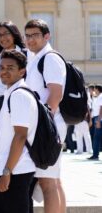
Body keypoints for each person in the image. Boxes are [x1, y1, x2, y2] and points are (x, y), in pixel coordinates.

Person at [24, 19, 67, 213]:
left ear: (46, 36)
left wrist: (44, 127)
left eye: (35, 35)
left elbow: (55, 95)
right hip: (46, 124)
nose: (30, 40)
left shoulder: (49, 58)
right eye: (27, 35)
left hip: (48, 125)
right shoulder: (37, 58)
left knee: (47, 181)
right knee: (53, 180)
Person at [0, 50, 38, 213]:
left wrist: (7, 172)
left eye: (10, 67)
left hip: (15, 172)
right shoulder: (12, 93)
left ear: (22, 71)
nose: (4, 71)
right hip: (12, 170)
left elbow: (20, 135)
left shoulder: (19, 96)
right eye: (2, 67)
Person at [0, 21, 28, 110]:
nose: (3, 37)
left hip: (22, 99)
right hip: (1, 102)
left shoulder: (27, 54)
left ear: (14, 34)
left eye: (6, 33)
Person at [89, 84, 102, 160]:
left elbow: (101, 108)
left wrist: (99, 120)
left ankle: (95, 155)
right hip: (97, 117)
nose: (94, 91)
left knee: (96, 138)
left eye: (95, 89)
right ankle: (95, 154)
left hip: (99, 118)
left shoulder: (101, 96)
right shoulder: (98, 97)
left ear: (97, 89)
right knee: (96, 137)